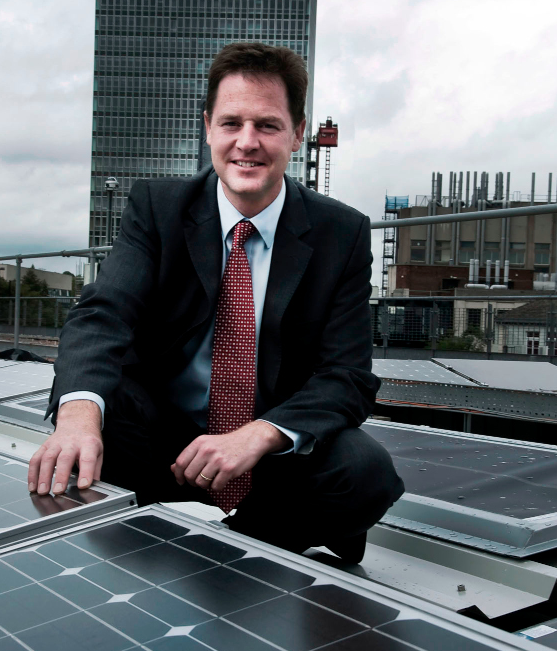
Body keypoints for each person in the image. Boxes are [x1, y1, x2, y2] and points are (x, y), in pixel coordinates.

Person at [28, 43, 403, 562]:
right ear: (208, 128)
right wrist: (75, 417)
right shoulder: (158, 208)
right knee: (97, 407)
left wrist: (259, 435)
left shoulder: (342, 232)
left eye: (267, 126)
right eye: (231, 123)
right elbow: (103, 313)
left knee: (366, 472)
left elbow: (347, 377)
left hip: (268, 461)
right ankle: (201, 540)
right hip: (161, 447)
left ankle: (234, 554)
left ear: (297, 133)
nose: (246, 143)